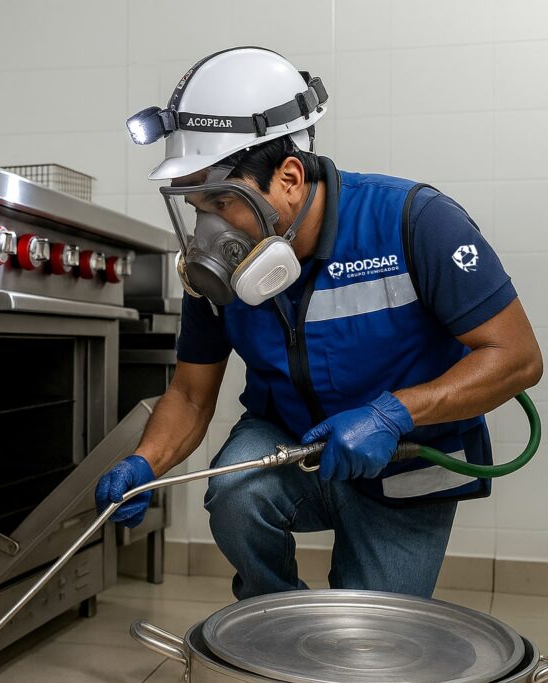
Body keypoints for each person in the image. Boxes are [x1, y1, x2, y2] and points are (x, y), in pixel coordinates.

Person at [97, 47, 542, 600]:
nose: (208, 228)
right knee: (235, 489)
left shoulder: (414, 221)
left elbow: (517, 359)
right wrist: (146, 462)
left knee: (372, 639)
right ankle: (273, 613)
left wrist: (391, 415)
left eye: (221, 202)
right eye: (195, 206)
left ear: (288, 176)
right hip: (292, 442)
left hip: (407, 459)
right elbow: (189, 395)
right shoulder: (219, 274)